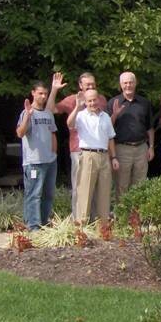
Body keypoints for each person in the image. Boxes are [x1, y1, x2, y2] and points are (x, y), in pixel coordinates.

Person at [66, 85, 117, 224]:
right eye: (89, 101)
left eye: (94, 100)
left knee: (104, 192)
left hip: (104, 156)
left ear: (99, 100)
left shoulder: (105, 116)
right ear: (86, 102)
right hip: (88, 155)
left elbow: (111, 137)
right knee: (85, 192)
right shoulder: (81, 115)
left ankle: (103, 226)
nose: (93, 103)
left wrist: (114, 157)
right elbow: (69, 124)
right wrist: (77, 106)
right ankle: (81, 226)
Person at [52, 71, 106, 195]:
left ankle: (95, 215)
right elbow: (51, 110)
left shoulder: (101, 100)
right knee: (79, 188)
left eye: (93, 84)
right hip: (79, 151)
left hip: (99, 150)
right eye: (87, 84)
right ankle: (78, 214)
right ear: (80, 85)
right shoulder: (72, 100)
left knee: (97, 190)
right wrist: (54, 89)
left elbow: (107, 127)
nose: (91, 87)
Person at [16, 80, 58, 231]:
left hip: (50, 161)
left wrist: (54, 153)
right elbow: (20, 133)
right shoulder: (26, 113)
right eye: (40, 93)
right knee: (34, 195)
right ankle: (33, 227)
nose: (43, 96)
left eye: (45, 94)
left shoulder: (48, 113)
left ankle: (44, 223)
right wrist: (27, 115)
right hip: (34, 162)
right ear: (33, 93)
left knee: (48, 195)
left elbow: (53, 133)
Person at [108, 71, 155, 200]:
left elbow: (150, 127)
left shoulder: (144, 103)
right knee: (121, 185)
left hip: (141, 148)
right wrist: (115, 115)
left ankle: (137, 217)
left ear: (135, 83)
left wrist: (151, 147)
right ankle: (122, 216)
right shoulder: (113, 102)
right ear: (120, 84)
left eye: (130, 82)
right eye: (125, 83)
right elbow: (107, 128)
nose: (128, 85)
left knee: (140, 185)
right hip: (121, 148)